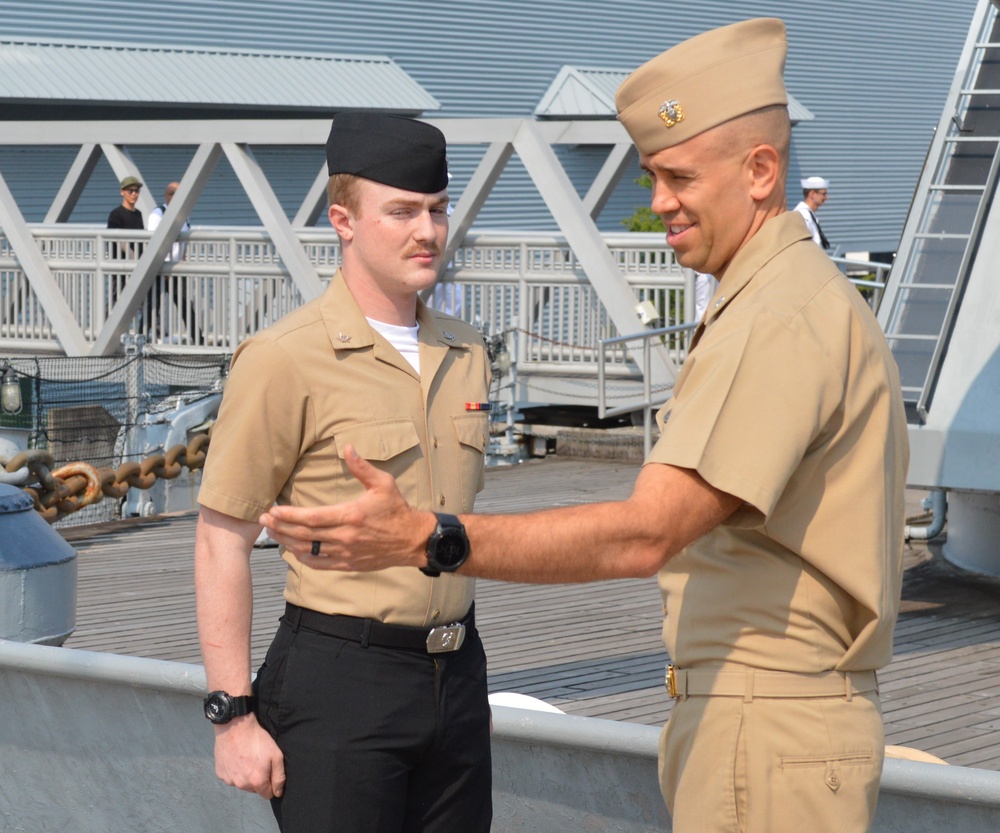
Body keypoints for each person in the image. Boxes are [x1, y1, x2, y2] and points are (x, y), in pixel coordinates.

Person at [260, 19, 909, 833]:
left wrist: (430, 537)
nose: (660, 203)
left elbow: (646, 534)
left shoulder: (776, 316)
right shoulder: (790, 296)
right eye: (651, 179)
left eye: (677, 178)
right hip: (769, 717)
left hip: (767, 720)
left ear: (759, 171)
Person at [194, 113, 493, 833]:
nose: (427, 230)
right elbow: (220, 537)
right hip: (341, 679)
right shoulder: (283, 356)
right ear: (343, 219)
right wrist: (233, 714)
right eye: (401, 211)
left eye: (437, 209)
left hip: (457, 673)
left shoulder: (468, 349)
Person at [146, 181, 194, 341]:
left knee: (185, 305)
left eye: (178, 193)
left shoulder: (184, 215)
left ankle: (198, 338)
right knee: (151, 307)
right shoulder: (158, 214)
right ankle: (141, 336)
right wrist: (162, 265)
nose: (175, 197)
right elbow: (152, 241)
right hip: (159, 270)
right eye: (172, 193)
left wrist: (183, 259)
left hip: (177, 269)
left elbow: (185, 240)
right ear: (166, 196)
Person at [106, 176, 145, 312]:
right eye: (130, 191)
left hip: (136, 266)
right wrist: (131, 255)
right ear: (122, 192)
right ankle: (105, 328)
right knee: (116, 300)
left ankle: (154, 330)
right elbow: (115, 235)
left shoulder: (138, 214)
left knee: (141, 300)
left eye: (137, 191)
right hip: (120, 266)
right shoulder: (116, 214)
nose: (134, 194)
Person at [794, 175, 831, 249]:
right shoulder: (802, 215)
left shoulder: (810, 214)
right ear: (812, 194)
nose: (826, 198)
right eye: (823, 194)